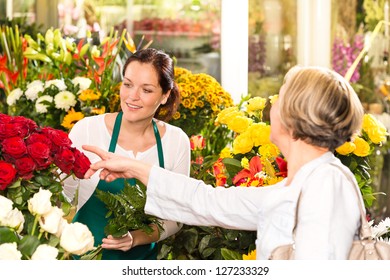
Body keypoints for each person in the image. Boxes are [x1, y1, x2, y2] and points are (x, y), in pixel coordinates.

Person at [82, 66, 365, 260]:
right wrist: (133, 167)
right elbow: (210, 202)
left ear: (297, 116)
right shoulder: (300, 183)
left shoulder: (327, 184)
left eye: (281, 97)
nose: (272, 105)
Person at [63, 48, 191, 260]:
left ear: (165, 95)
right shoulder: (87, 130)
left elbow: (177, 216)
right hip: (83, 261)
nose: (132, 96)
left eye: (146, 90)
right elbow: (63, 200)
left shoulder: (176, 142)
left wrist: (136, 238)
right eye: (128, 84)